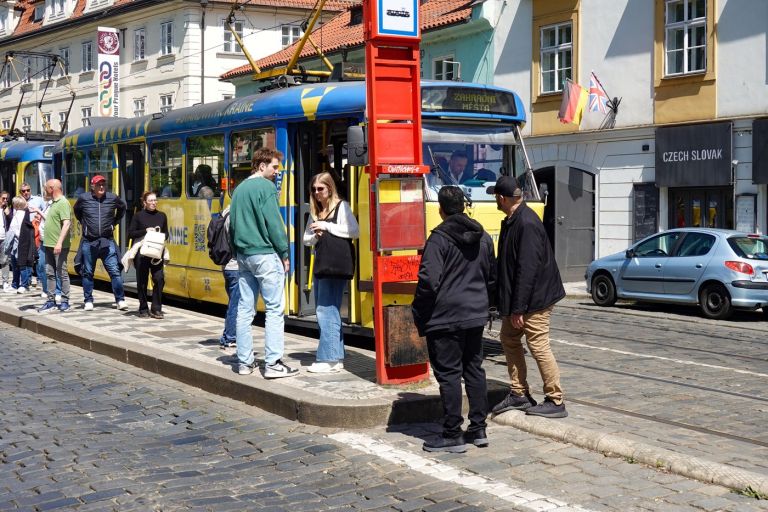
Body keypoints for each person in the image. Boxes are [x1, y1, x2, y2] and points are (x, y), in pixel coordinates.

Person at [412, 186, 496, 453]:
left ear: (441, 209)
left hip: (445, 316)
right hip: (475, 314)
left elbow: (428, 280)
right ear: (464, 205)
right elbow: (490, 276)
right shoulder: (484, 238)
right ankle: (479, 427)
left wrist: (419, 313)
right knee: (474, 369)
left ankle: (452, 433)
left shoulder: (439, 239)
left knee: (448, 374)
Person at [487, 175, 568, 418]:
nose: (496, 201)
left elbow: (527, 269)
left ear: (502, 198)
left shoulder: (527, 223)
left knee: (538, 345)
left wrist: (519, 308)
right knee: (509, 339)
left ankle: (555, 400)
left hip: (536, 300)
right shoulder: (513, 220)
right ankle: (519, 393)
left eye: (496, 197)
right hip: (522, 301)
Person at [229, 147, 298, 379]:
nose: (277, 172)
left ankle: (244, 363)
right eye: (275, 167)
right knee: (274, 309)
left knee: (244, 310)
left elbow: (232, 224)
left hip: (243, 256)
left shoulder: (238, 189)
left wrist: (238, 250)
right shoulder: (266, 187)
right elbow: (274, 223)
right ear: (262, 166)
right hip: (265, 255)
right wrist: (285, 253)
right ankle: (273, 363)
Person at [302, 172, 359, 374]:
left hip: (334, 264)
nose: (317, 193)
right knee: (329, 309)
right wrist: (317, 235)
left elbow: (354, 231)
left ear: (330, 188)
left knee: (325, 310)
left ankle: (329, 358)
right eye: (314, 189)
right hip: (322, 263)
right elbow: (306, 239)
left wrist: (326, 226)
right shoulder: (315, 210)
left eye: (321, 189)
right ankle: (337, 356)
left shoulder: (341, 206)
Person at [74, 174, 128, 311]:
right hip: (89, 241)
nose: (102, 187)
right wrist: (85, 224)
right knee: (87, 272)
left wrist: (114, 222)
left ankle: (120, 300)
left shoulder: (112, 198)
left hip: (106, 240)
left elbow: (122, 208)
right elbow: (77, 212)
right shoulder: (84, 198)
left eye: (104, 184)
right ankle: (88, 300)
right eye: (99, 184)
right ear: (93, 186)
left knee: (114, 271)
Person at [128, 191, 169, 319]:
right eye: (150, 201)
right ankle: (143, 308)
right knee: (142, 281)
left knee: (159, 279)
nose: (153, 203)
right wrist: (145, 231)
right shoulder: (138, 216)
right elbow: (131, 233)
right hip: (142, 253)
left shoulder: (162, 216)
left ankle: (156, 308)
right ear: (144, 203)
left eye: (155, 200)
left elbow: (166, 233)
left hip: (157, 253)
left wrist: (159, 235)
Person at [36, 180, 72, 313]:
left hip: (58, 246)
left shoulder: (63, 202)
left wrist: (59, 243)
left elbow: (66, 224)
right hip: (48, 244)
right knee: (50, 273)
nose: (45, 191)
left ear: (51, 188)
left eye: (46, 188)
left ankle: (65, 301)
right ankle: (51, 300)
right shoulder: (53, 203)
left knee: (61, 273)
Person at [218, 206, 239, 350]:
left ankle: (226, 336)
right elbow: (237, 242)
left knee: (233, 303)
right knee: (236, 305)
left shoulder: (225, 213)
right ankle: (230, 337)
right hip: (235, 267)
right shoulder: (235, 216)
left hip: (227, 267)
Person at [20, 183, 45, 289]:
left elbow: (45, 211)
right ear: (20, 192)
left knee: (39, 256)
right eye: (23, 191)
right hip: (24, 232)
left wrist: (39, 215)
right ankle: (28, 280)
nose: (26, 192)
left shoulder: (38, 200)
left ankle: (39, 280)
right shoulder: (19, 202)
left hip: (36, 230)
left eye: (28, 190)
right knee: (27, 256)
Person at [9, 196, 35, 293]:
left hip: (19, 242)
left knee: (20, 264)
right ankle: (21, 284)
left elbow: (14, 229)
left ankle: (22, 284)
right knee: (21, 264)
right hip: (23, 241)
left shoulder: (19, 215)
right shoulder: (24, 213)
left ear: (15, 205)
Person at [0, 191, 10, 290]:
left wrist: (8, 214)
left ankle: (5, 282)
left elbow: (11, 222)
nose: (5, 201)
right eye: (3, 198)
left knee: (5, 260)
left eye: (7, 199)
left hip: (4, 238)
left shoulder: (7, 210)